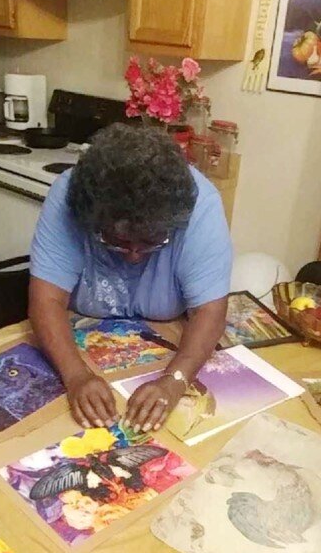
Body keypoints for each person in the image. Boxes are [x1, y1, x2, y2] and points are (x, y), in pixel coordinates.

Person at [29, 124, 232, 432]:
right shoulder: (69, 196)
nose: (135, 255)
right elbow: (46, 299)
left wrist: (173, 381)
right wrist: (76, 376)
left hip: (167, 347)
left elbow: (210, 311)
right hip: (78, 348)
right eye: (117, 242)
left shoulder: (201, 205)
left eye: (151, 242)